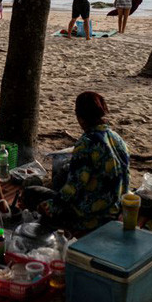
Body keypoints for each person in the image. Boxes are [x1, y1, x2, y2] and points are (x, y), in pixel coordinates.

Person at [23, 91, 130, 231]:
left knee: (31, 193)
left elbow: (73, 187)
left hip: (89, 218)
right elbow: (126, 179)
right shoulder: (118, 139)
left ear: (80, 118)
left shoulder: (87, 143)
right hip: (114, 212)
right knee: (64, 173)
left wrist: (50, 206)